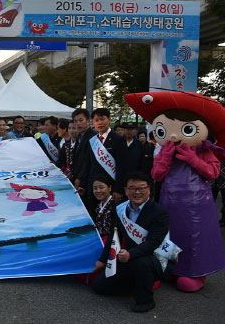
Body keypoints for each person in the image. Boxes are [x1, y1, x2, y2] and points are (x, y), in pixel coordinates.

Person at [125, 91, 225, 292]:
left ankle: (195, 272)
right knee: (171, 234)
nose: (172, 135)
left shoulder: (204, 150)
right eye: (163, 130)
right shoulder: (164, 151)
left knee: (195, 236)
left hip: (198, 203)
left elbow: (213, 173)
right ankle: (173, 267)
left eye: (185, 129)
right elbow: (157, 175)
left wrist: (194, 159)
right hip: (170, 200)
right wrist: (165, 158)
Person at [93, 172, 173, 313]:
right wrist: (103, 260)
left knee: (141, 263)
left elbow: (153, 243)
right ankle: (138, 283)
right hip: (129, 258)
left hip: (156, 259)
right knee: (100, 286)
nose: (137, 192)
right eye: (132, 188)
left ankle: (146, 300)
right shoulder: (122, 209)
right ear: (125, 190)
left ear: (149, 189)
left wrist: (130, 254)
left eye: (141, 188)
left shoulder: (159, 212)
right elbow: (114, 236)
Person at [77, 108, 127, 215]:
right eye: (96, 120)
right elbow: (88, 165)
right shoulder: (93, 140)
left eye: (102, 119)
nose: (100, 123)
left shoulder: (118, 139)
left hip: (111, 187)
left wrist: (118, 189)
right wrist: (83, 185)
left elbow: (122, 166)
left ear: (109, 119)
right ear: (92, 122)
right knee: (94, 214)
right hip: (93, 187)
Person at [92, 174, 116, 239]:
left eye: (101, 187)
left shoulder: (116, 206)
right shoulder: (97, 206)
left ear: (110, 188)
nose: (98, 191)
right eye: (95, 188)